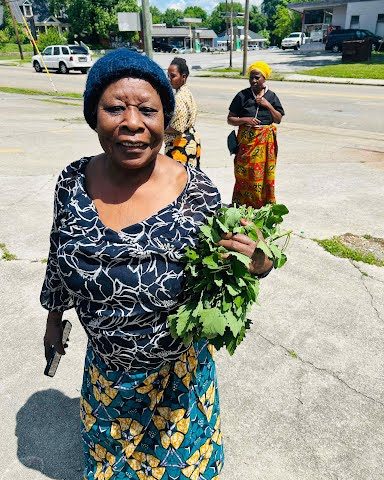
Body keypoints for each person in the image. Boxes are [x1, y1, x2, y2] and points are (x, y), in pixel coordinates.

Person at [41, 49, 273, 480]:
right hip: (107, 380)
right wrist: (54, 320)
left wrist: (258, 262)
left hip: (178, 385)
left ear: (164, 121)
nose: (132, 122)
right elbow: (59, 255)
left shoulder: (197, 192)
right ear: (95, 115)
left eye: (147, 110)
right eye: (114, 108)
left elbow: (227, 275)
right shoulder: (72, 182)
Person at [228, 61, 285, 209]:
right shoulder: (242, 96)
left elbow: (278, 119)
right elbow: (230, 119)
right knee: (244, 173)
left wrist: (268, 105)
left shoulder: (272, 97)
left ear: (264, 78)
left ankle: (262, 205)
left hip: (265, 144)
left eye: (257, 77)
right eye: (251, 77)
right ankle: (242, 205)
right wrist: (244, 120)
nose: (253, 81)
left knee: (264, 176)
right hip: (247, 143)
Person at [164, 57, 201, 169]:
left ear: (183, 77)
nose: (169, 79)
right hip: (191, 141)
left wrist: (159, 128)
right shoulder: (187, 92)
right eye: (169, 76)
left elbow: (177, 127)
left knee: (178, 183)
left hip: (180, 146)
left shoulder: (179, 97)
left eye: (173, 76)